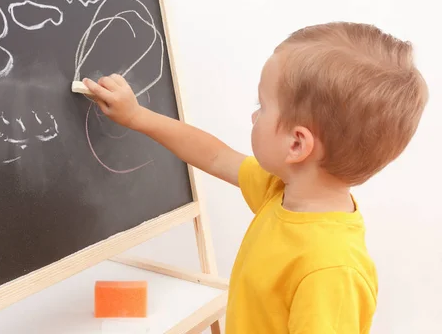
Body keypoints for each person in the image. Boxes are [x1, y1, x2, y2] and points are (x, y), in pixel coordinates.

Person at [82, 22, 429, 333]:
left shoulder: (330, 270)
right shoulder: (281, 191)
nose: (253, 115)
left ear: (297, 143)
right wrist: (137, 116)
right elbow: (214, 155)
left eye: (262, 106)